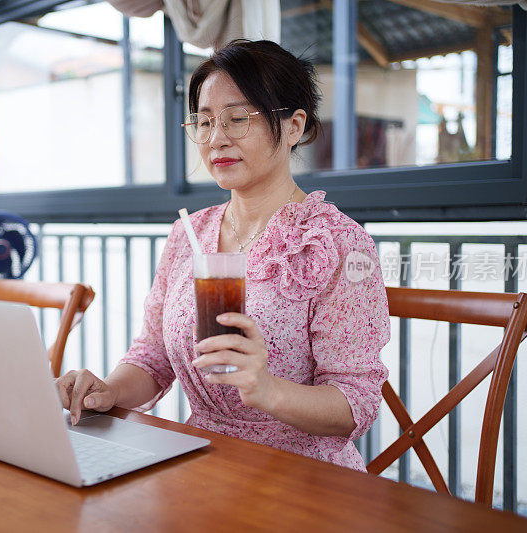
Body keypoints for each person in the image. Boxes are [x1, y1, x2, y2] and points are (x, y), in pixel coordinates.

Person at [56, 39, 390, 471]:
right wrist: (109, 391)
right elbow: (154, 355)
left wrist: (268, 390)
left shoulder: (341, 245)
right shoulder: (188, 235)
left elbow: (357, 403)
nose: (216, 140)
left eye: (237, 119)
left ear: (293, 126)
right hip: (202, 463)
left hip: (304, 477)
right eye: (204, 122)